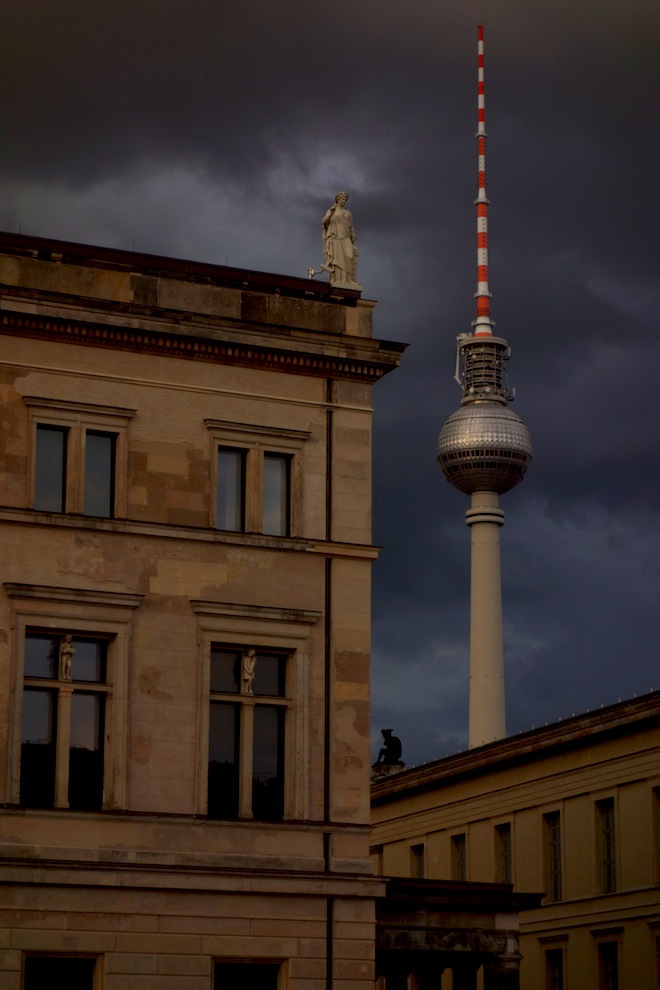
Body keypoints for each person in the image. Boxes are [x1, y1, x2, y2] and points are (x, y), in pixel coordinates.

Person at [322, 191, 358, 286]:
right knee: (337, 259)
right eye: (342, 199)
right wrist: (331, 213)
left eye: (345, 200)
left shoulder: (348, 213)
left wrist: (353, 238)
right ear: (338, 200)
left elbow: (351, 226)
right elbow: (324, 221)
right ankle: (337, 280)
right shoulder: (331, 211)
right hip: (335, 238)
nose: (344, 201)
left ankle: (348, 279)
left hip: (346, 237)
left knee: (349, 257)